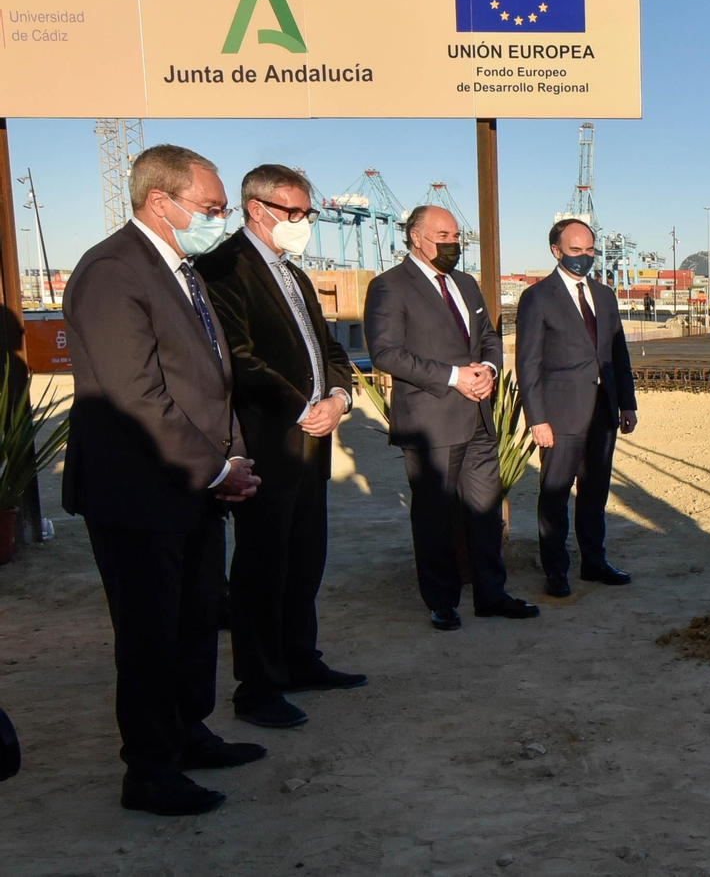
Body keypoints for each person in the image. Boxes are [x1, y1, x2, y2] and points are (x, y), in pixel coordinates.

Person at [63, 144, 265, 816]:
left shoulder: (184, 269)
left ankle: (189, 731)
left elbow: (211, 378)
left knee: (194, 623)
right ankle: (149, 771)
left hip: (195, 489)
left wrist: (228, 464)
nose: (222, 219)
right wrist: (218, 467)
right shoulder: (113, 272)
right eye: (211, 208)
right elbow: (138, 396)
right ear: (161, 201)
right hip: (140, 493)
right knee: (150, 634)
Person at [195, 164, 366, 731]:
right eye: (294, 213)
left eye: (307, 213)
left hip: (312, 445)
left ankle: (300, 660)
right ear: (257, 209)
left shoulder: (291, 272)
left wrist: (339, 396)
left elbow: (330, 351)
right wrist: (302, 407)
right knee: (262, 570)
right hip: (266, 445)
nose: (303, 223)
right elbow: (240, 359)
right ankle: (258, 687)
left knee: (304, 561)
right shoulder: (223, 268)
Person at [364, 206, 539, 630]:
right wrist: (454, 376)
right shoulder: (389, 286)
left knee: (484, 510)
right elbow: (386, 353)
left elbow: (488, 337)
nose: (453, 243)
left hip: (478, 413)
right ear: (416, 238)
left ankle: (491, 594)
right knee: (435, 515)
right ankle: (441, 601)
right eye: (443, 234)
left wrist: (489, 371)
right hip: (431, 421)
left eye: (456, 235)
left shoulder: (464, 283)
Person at [516, 219, 638, 598]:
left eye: (589, 250)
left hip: (603, 410)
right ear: (556, 251)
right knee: (555, 493)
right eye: (575, 250)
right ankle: (556, 571)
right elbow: (528, 364)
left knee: (595, 491)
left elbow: (618, 353)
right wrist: (537, 418)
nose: (584, 257)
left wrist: (628, 403)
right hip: (559, 413)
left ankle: (594, 562)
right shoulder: (537, 298)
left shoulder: (605, 295)